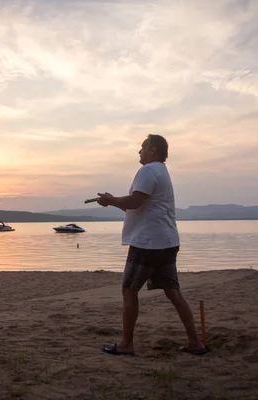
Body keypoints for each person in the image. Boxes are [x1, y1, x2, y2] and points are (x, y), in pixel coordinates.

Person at [96, 134, 207, 356]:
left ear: (153, 149)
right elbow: (137, 206)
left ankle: (126, 344)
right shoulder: (162, 172)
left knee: (129, 290)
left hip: (148, 243)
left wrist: (111, 200)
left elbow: (135, 201)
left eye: (142, 147)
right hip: (166, 240)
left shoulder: (148, 171)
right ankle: (195, 342)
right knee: (173, 292)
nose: (139, 151)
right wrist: (114, 202)